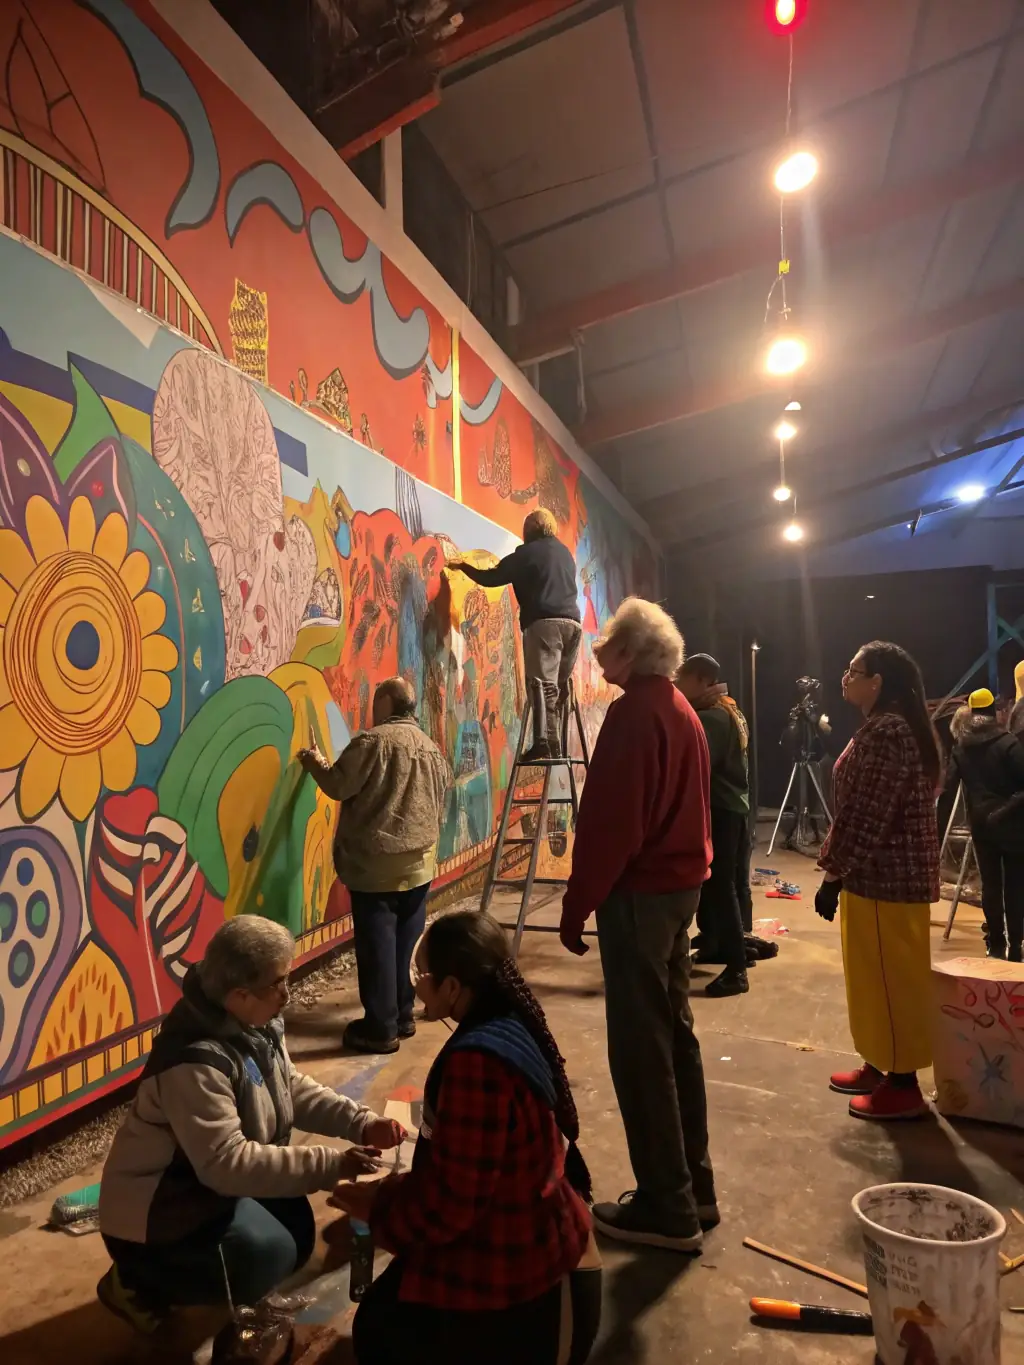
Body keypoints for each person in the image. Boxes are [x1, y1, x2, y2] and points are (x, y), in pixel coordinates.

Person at [98, 917, 402, 1332]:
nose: (286, 993)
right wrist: (330, 1165)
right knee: (269, 1255)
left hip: (204, 1189)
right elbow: (227, 1163)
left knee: (296, 1232)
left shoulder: (250, 1023)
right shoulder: (194, 1061)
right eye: (277, 983)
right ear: (239, 995)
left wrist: (361, 1123)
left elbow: (289, 1088)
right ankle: (135, 1281)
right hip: (160, 1212)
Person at [329, 911, 601, 1365]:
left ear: (453, 988)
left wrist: (380, 1208)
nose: (415, 984)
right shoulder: (508, 1020)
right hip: (542, 1233)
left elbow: (452, 1207)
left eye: (424, 976)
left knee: (379, 1327)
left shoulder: (476, 1065)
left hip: (524, 1271)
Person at [557, 598, 716, 1251]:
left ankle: (667, 1205)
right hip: (681, 889)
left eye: (610, 647)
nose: (602, 660)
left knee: (641, 1048)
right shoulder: (682, 710)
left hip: (642, 896)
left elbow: (611, 823)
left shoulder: (634, 714)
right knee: (675, 1035)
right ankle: (694, 1189)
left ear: (633, 650)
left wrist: (576, 904)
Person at [814, 641, 941, 1122]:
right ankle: (881, 1064)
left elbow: (867, 813)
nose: (844, 677)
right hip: (874, 880)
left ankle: (903, 1084)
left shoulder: (888, 733)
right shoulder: (884, 727)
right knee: (874, 979)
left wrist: (833, 870)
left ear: (877, 682)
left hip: (890, 879)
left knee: (893, 983)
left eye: (854, 670)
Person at [298, 677, 450, 1053]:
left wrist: (312, 761)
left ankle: (380, 1030)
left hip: (375, 868)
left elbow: (338, 785)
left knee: (378, 946)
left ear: (384, 701)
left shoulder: (373, 742)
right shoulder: (431, 748)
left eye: (375, 699)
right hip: (420, 866)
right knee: (405, 944)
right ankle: (402, 1015)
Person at [449, 508, 581, 763]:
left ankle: (544, 742)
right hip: (572, 625)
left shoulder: (527, 554)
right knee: (558, 688)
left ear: (529, 530)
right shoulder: (564, 553)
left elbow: (493, 577)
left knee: (542, 686)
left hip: (544, 623)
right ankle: (559, 746)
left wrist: (463, 566)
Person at [676, 653, 752, 997]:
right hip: (732, 805)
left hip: (721, 807)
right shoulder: (728, 708)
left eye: (682, 680)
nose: (677, 687)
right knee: (723, 884)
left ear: (702, 680)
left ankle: (737, 970)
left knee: (722, 886)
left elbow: (696, 764)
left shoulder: (713, 718)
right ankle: (719, 946)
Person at [938, 688, 1024, 960]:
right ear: (993, 712)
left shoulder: (961, 748)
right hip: (1012, 825)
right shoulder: (1008, 743)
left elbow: (947, 787)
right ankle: (1016, 947)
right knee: (1014, 885)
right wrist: (1003, 811)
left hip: (981, 826)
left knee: (990, 884)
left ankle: (995, 944)